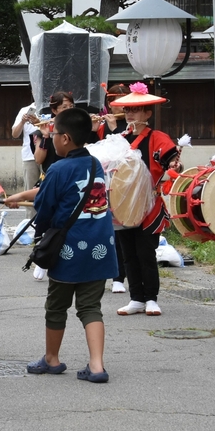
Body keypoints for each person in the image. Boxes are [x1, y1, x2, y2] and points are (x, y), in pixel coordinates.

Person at [4, 107, 117, 383]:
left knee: (57, 305)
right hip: (101, 244)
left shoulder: (58, 167)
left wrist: (41, 228)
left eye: (53, 134)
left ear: (65, 138)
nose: (50, 138)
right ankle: (97, 366)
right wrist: (19, 195)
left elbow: (44, 207)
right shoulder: (94, 164)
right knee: (91, 307)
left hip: (69, 247)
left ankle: (52, 359)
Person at [108, 82, 178, 317]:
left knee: (146, 253)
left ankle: (151, 298)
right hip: (124, 204)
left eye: (136, 110)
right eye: (127, 110)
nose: (130, 114)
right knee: (128, 253)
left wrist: (173, 166)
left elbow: (172, 161)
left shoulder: (158, 138)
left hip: (150, 204)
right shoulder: (118, 138)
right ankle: (136, 297)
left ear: (148, 113)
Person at [94, 83, 130, 294]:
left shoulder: (132, 124)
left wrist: (116, 129)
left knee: (124, 232)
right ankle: (110, 273)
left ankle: (120, 277)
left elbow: (131, 149)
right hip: (105, 182)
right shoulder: (102, 124)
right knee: (107, 230)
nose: (117, 105)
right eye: (112, 101)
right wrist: (92, 131)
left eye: (120, 100)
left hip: (126, 182)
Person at [34, 92, 75, 177]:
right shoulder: (45, 128)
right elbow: (38, 160)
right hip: (51, 176)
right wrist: (46, 136)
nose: (69, 110)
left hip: (73, 175)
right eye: (64, 107)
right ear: (54, 110)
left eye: (71, 106)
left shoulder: (77, 128)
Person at [11, 101, 39, 219]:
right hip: (29, 157)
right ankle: (30, 226)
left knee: (50, 191)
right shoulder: (26, 109)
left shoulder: (51, 108)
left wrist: (38, 122)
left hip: (49, 155)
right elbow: (15, 134)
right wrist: (22, 121)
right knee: (30, 192)